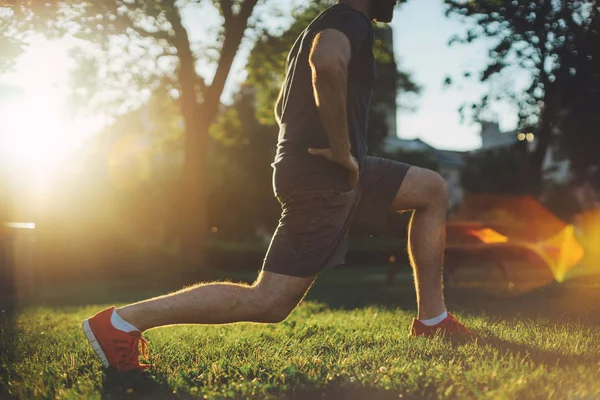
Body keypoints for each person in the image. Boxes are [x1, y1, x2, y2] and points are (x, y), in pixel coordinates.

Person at [82, 0, 474, 372]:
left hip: (338, 167)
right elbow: (326, 64)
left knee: (431, 189)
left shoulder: (323, 26)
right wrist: (341, 151)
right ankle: (121, 322)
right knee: (269, 301)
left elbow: (282, 106)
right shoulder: (350, 20)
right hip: (324, 174)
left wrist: (344, 154)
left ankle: (432, 320)